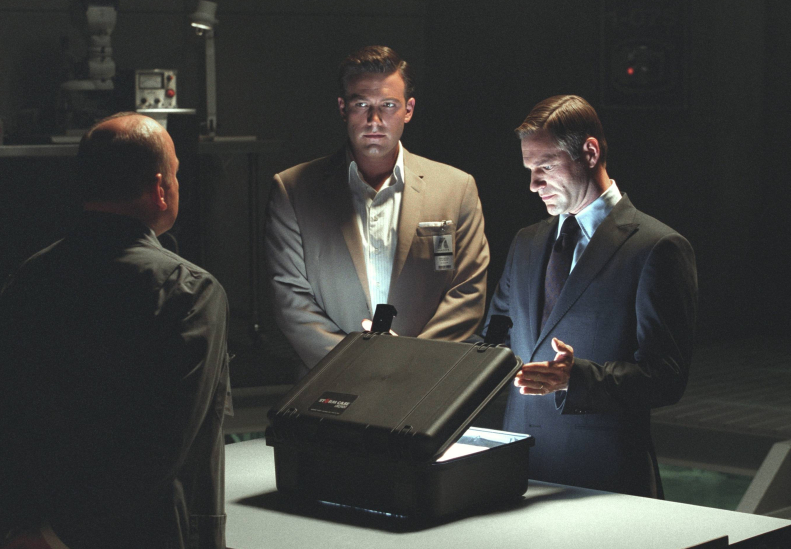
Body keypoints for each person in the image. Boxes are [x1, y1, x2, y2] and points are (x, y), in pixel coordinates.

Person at [0, 112, 231, 549]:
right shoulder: (189, 291)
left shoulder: (30, 278)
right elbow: (162, 440)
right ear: (160, 188)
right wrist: (61, 538)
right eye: (175, 173)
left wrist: (25, 532)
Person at [482, 95, 698, 497]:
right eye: (530, 170)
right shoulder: (526, 243)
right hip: (519, 470)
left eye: (546, 167)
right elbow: (490, 344)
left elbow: (667, 377)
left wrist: (575, 379)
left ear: (590, 152)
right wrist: (410, 355)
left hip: (606, 478)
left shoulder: (657, 247)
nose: (533, 184)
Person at [265, 45, 490, 374]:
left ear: (408, 109)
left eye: (388, 105)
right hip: (330, 380)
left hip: (427, 381)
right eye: (361, 105)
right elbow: (291, 302)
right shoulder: (293, 190)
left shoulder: (456, 188)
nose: (374, 120)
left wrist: (410, 362)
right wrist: (357, 365)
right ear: (343, 108)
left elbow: (467, 292)